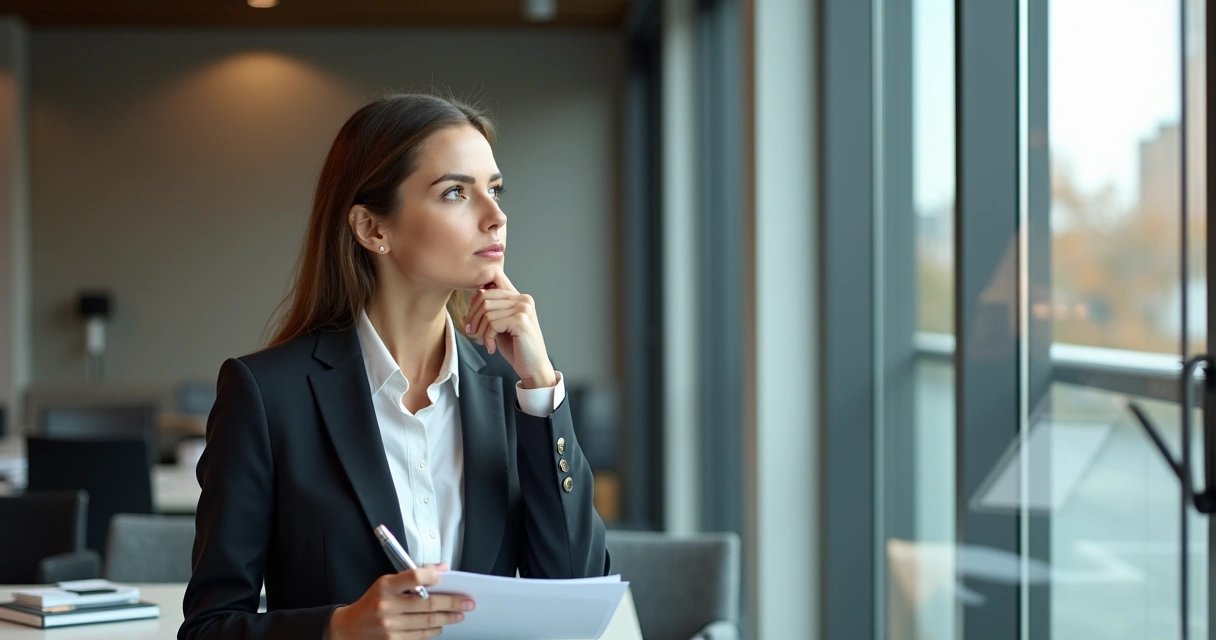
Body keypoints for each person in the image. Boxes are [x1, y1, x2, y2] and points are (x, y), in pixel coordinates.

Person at [180, 93, 609, 640]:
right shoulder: (267, 396)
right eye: (456, 192)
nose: (495, 216)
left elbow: (573, 592)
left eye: (494, 190)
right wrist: (339, 628)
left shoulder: (515, 393)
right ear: (372, 229)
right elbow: (209, 629)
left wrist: (541, 385)